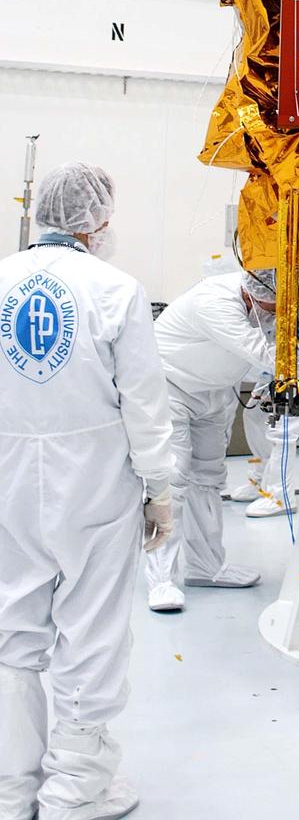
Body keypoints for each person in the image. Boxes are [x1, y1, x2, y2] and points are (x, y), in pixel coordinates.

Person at [0, 163, 174, 820]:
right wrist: (161, 491)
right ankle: (76, 790)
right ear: (95, 222)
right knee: (91, 632)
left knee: (12, 630)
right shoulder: (117, 289)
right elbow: (145, 403)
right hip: (93, 484)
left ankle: (11, 791)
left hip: (9, 479)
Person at [144, 268, 299, 610]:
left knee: (209, 478)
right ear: (251, 293)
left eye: (283, 307)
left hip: (216, 391)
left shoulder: (272, 301)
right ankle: (160, 581)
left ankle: (206, 566)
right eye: (271, 306)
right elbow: (264, 354)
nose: (276, 315)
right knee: (170, 481)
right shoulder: (214, 300)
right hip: (168, 386)